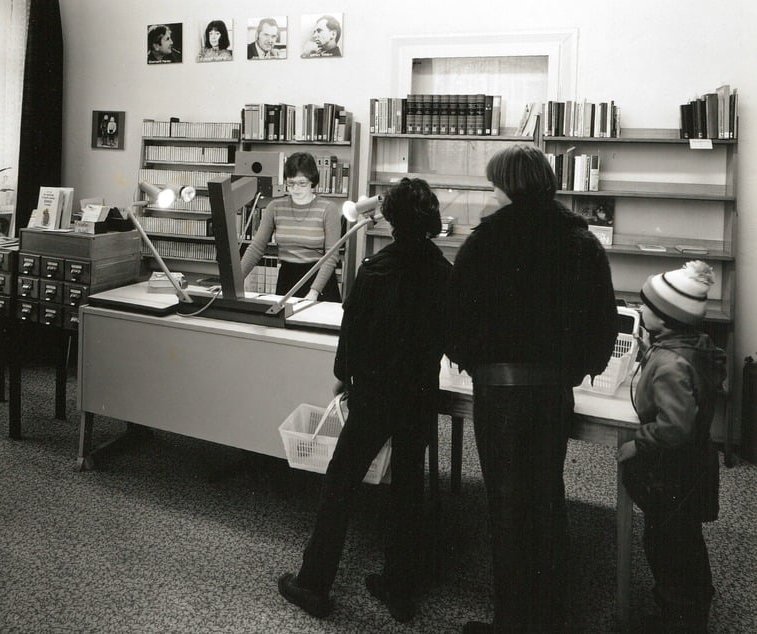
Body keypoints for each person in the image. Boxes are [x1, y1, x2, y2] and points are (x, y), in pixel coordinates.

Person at [445, 144, 619, 633]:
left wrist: (470, 360)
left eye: (495, 185)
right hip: (551, 392)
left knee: (505, 504)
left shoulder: (485, 241)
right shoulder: (580, 240)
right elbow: (603, 322)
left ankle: (510, 621)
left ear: (510, 186)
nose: (491, 194)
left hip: (498, 391)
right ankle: (551, 618)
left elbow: (456, 317)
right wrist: (578, 369)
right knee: (546, 498)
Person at [277, 177, 452, 623]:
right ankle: (399, 588)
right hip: (419, 394)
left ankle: (313, 584)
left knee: (341, 482)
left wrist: (344, 379)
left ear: (390, 218)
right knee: (409, 486)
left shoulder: (376, 270)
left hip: (375, 392)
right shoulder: (442, 271)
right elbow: (449, 335)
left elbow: (351, 335)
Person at [617, 261, 724, 633]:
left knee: (668, 545)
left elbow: (675, 427)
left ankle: (679, 619)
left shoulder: (669, 363)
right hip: (694, 466)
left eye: (646, 305)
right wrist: (654, 351)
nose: (640, 309)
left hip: (673, 471)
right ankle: (689, 608)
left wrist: (637, 444)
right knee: (684, 540)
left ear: (664, 316)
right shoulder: (689, 347)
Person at [239, 152, 341, 302]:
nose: (296, 189)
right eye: (291, 183)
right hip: (287, 278)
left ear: (313, 181)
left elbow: (331, 256)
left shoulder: (328, 209)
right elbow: (256, 249)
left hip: (319, 280)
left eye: (302, 183)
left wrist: (314, 292)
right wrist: (233, 282)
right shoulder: (275, 207)